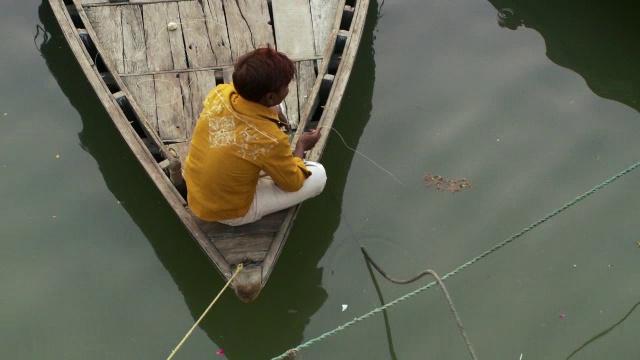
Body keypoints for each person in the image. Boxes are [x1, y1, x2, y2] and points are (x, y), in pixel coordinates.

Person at [183, 47, 327, 226]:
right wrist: (301, 147)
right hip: (230, 212)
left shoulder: (220, 94)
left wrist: (273, 112)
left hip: (196, 193)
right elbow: (293, 184)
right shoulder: (270, 139)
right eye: (286, 86)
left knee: (273, 114)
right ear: (271, 96)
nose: (287, 89)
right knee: (319, 175)